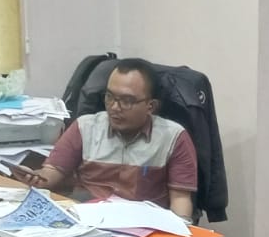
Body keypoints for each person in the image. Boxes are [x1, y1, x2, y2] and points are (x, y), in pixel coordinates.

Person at [26, 58, 198, 218]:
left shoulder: (174, 137)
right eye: (109, 97)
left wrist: (182, 229)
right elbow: (53, 172)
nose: (114, 107)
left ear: (150, 106)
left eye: (127, 101)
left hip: (143, 225)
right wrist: (37, 178)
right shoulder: (85, 127)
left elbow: (180, 198)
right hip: (89, 220)